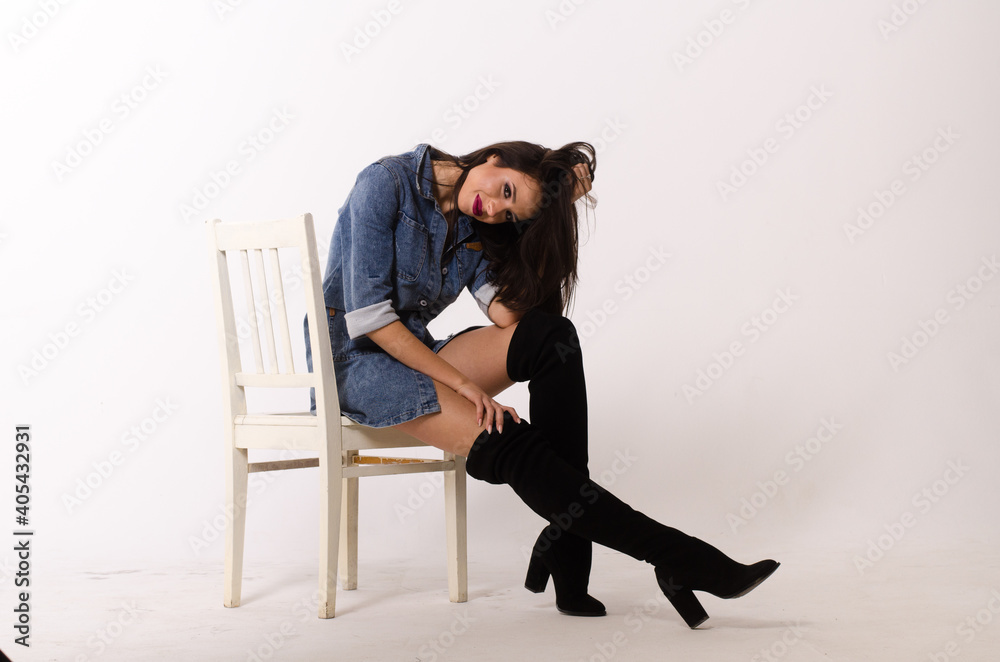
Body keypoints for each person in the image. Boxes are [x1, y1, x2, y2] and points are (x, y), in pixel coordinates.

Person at [304, 141, 779, 628]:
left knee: (552, 338)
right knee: (506, 437)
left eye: (510, 213)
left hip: (416, 353)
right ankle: (678, 556)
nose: (494, 210)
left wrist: (551, 214)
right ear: (494, 158)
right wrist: (464, 386)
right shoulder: (386, 183)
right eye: (506, 191)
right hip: (352, 363)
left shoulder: (474, 222)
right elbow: (371, 321)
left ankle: (567, 552)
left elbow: (508, 314)